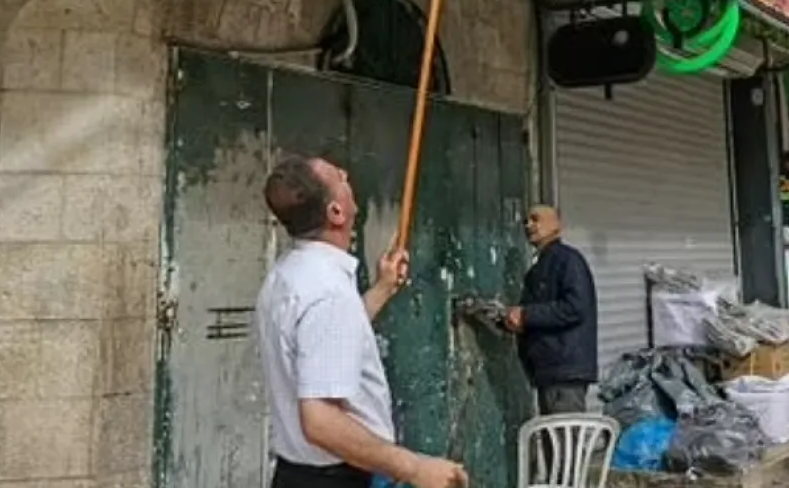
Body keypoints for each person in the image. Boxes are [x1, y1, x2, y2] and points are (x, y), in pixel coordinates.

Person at [254, 154, 468, 488]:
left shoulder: (288, 275)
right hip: (336, 479)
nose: (345, 172)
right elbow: (321, 421)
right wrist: (414, 468)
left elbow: (329, 346)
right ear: (335, 213)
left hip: (297, 474)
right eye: (338, 177)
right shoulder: (328, 293)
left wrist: (382, 289)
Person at [505, 206, 598, 415]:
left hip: (564, 374)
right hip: (549, 372)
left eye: (536, 219)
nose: (529, 225)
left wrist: (527, 315)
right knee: (554, 442)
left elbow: (576, 307)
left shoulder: (567, 260)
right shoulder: (540, 267)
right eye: (527, 221)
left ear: (556, 225)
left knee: (565, 442)